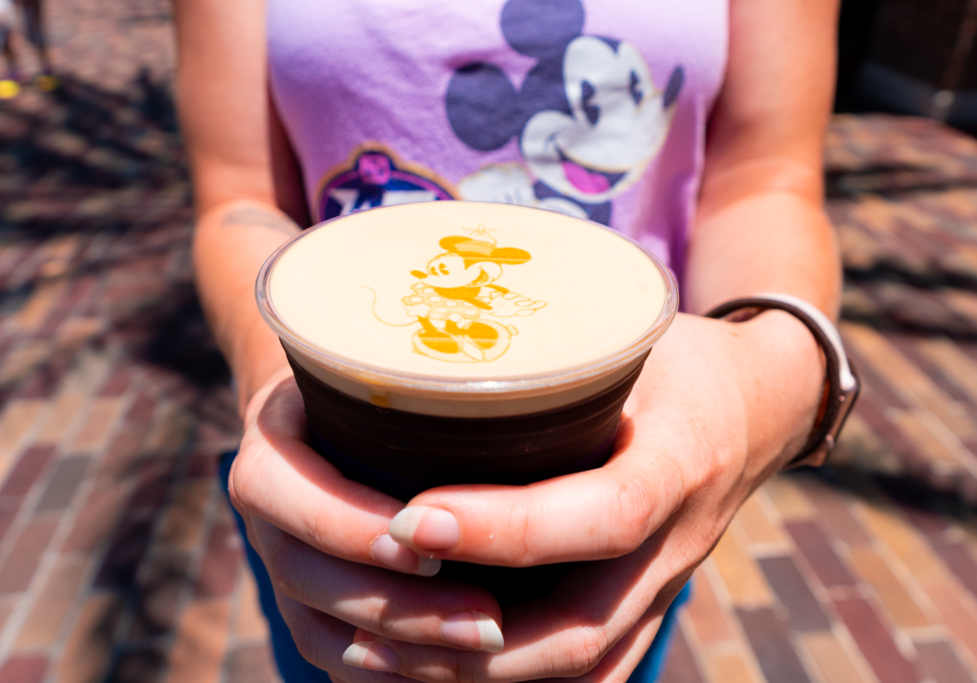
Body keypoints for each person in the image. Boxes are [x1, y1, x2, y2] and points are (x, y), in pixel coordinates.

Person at [174, 0, 843, 681]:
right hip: (334, 493)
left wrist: (766, 375)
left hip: (630, 486)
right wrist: (276, 382)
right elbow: (239, 196)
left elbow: (764, 181)